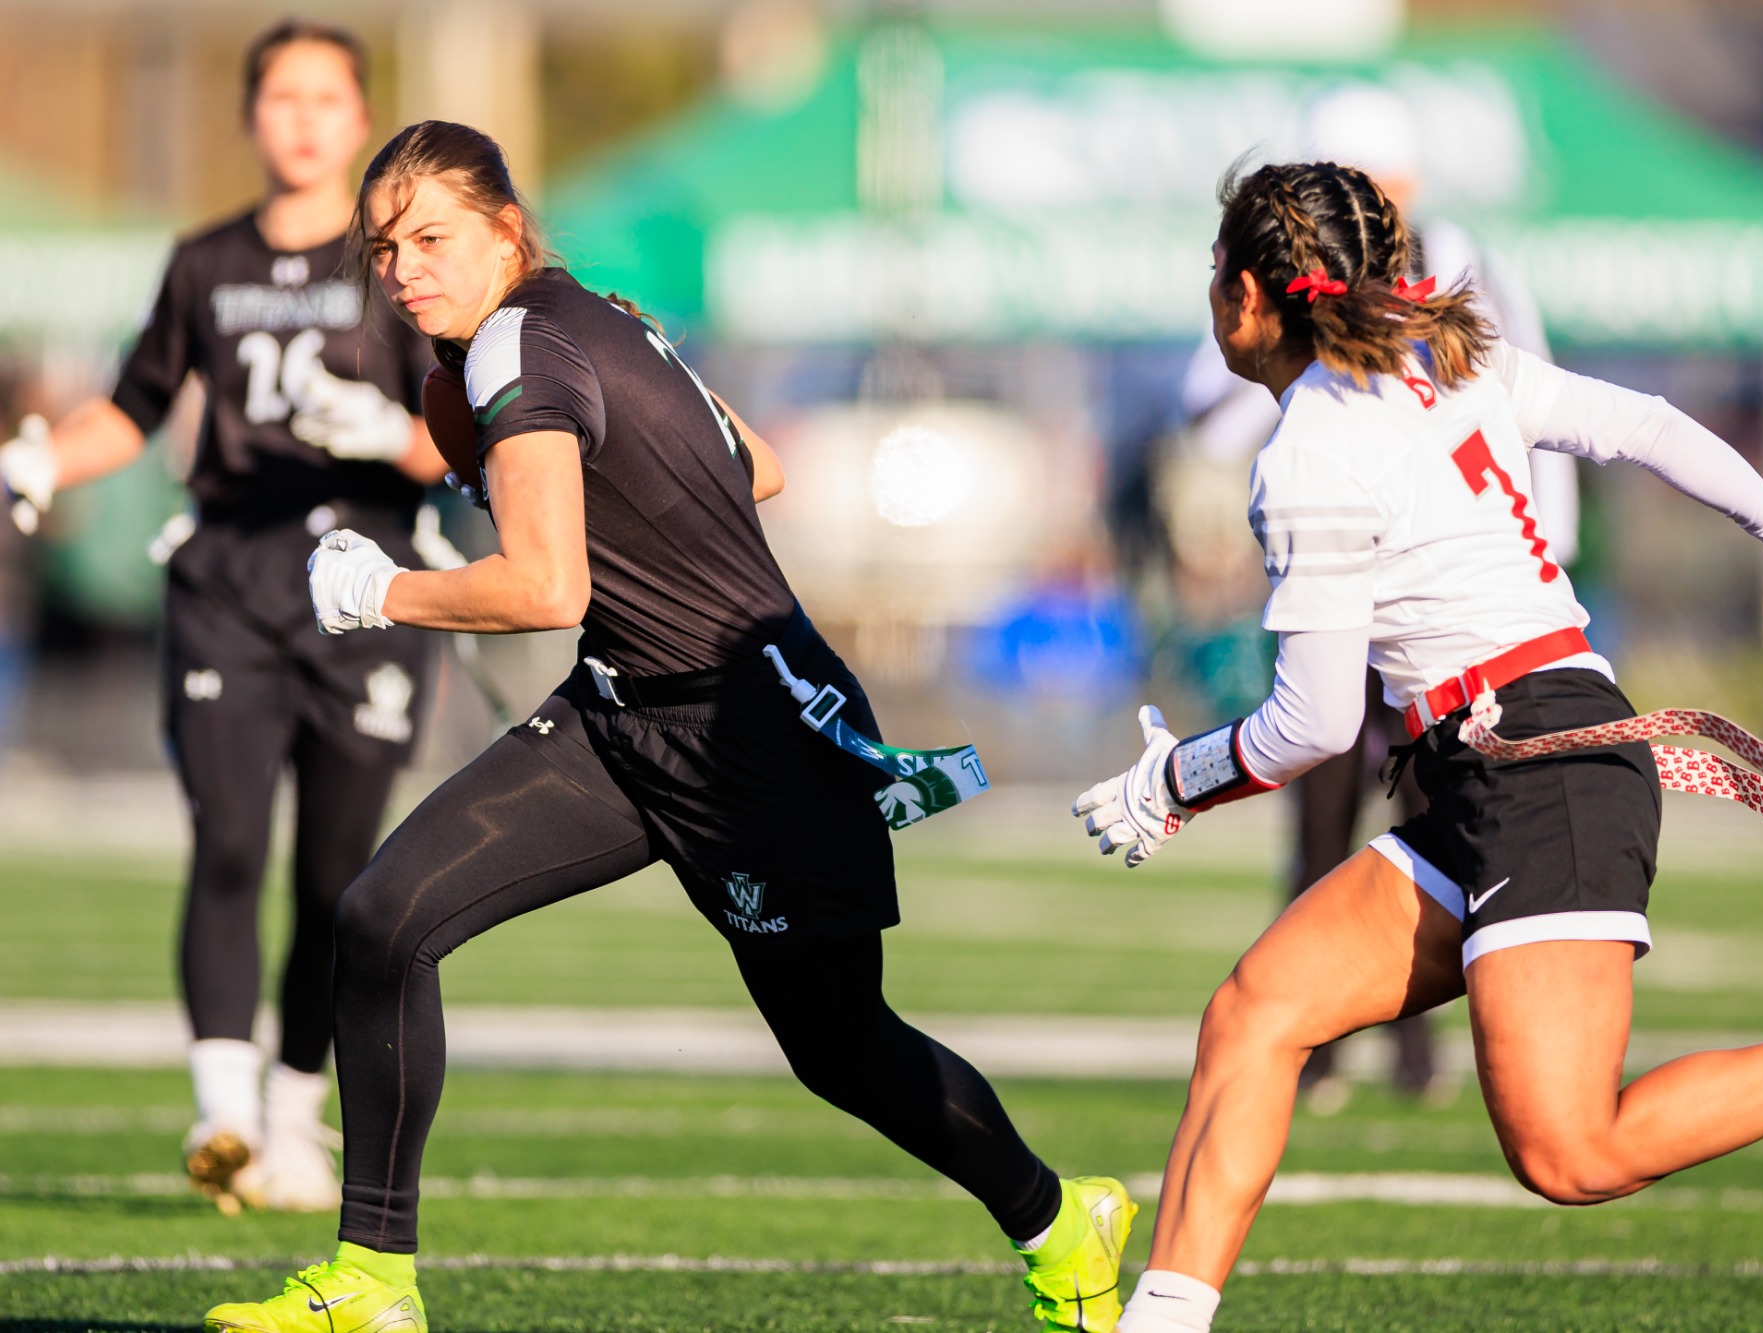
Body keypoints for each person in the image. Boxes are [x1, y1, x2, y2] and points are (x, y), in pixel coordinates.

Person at [200, 119, 1134, 1333]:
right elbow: (752, 465)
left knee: (842, 1048)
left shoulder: (514, 349)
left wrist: (382, 592)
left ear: (504, 227)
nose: (403, 270)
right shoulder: (557, 332)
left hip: (757, 734)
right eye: (383, 250)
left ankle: (1062, 1220)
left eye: (430, 238)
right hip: (622, 712)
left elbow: (546, 589)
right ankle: (373, 1282)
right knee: (382, 920)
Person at [1070, 161, 1763, 1333]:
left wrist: (1171, 781)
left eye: (1212, 275)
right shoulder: (1444, 354)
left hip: (1538, 768)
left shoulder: (1308, 453)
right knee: (1257, 1010)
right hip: (1494, 758)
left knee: (1570, 1150)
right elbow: (1641, 425)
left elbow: (1312, 725)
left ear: (1248, 294)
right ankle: (1163, 1321)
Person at [0, 21, 444, 1214]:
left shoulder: (398, 266)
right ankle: (223, 1113)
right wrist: (42, 457)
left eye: (324, 98)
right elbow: (134, 406)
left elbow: (462, 440)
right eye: (280, 97)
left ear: (358, 121)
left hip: (369, 594)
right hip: (229, 592)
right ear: (252, 117)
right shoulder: (201, 261)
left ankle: (296, 1113)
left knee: (339, 878)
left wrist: (388, 437)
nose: (301, 118)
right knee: (231, 840)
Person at [1183, 85, 1576, 1111]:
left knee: (1434, 820)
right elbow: (1207, 408)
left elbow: (1529, 398)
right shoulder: (1280, 288)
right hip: (1335, 571)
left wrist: (1538, 546)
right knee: (1320, 811)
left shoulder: (1461, 266)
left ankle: (1412, 1046)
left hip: (1443, 605)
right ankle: (1311, 1041)